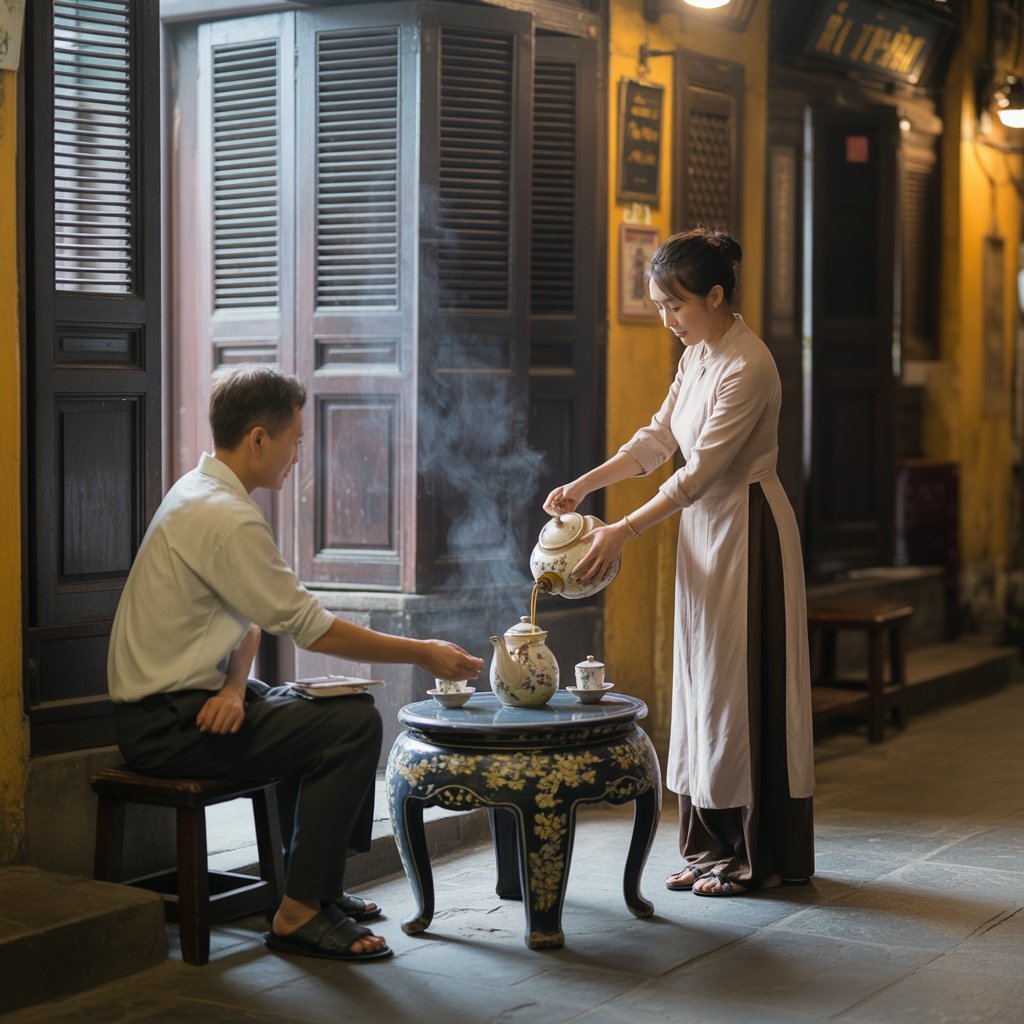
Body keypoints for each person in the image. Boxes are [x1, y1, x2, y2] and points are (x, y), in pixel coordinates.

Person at [108, 365, 483, 959]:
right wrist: (421, 652)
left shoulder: (203, 491)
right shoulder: (223, 516)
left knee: (335, 709)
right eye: (295, 441)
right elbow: (309, 626)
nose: (297, 456)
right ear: (259, 438)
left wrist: (235, 689)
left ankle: (315, 887)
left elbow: (251, 619)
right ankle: (300, 911)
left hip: (199, 702)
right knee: (353, 723)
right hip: (166, 725)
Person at [544, 228, 814, 897]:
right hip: (703, 532)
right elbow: (659, 438)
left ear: (716, 295)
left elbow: (702, 472)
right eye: (660, 304)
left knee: (739, 690)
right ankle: (708, 847)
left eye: (676, 305)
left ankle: (752, 857)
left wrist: (623, 531)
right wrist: (585, 485)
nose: (667, 319)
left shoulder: (748, 364)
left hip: (747, 529)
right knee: (701, 688)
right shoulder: (697, 353)